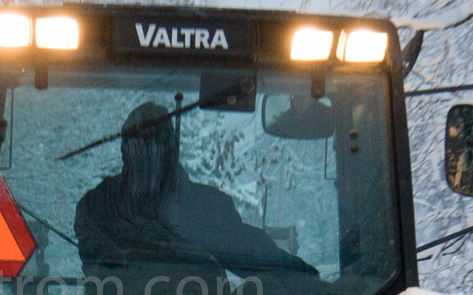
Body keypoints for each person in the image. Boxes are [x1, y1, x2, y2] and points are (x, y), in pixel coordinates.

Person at [74, 101, 314, 277]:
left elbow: (255, 255)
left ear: (170, 149)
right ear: (124, 149)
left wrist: (305, 278)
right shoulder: (98, 207)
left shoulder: (208, 208)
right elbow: (98, 262)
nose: (143, 155)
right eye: (135, 144)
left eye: (153, 144)